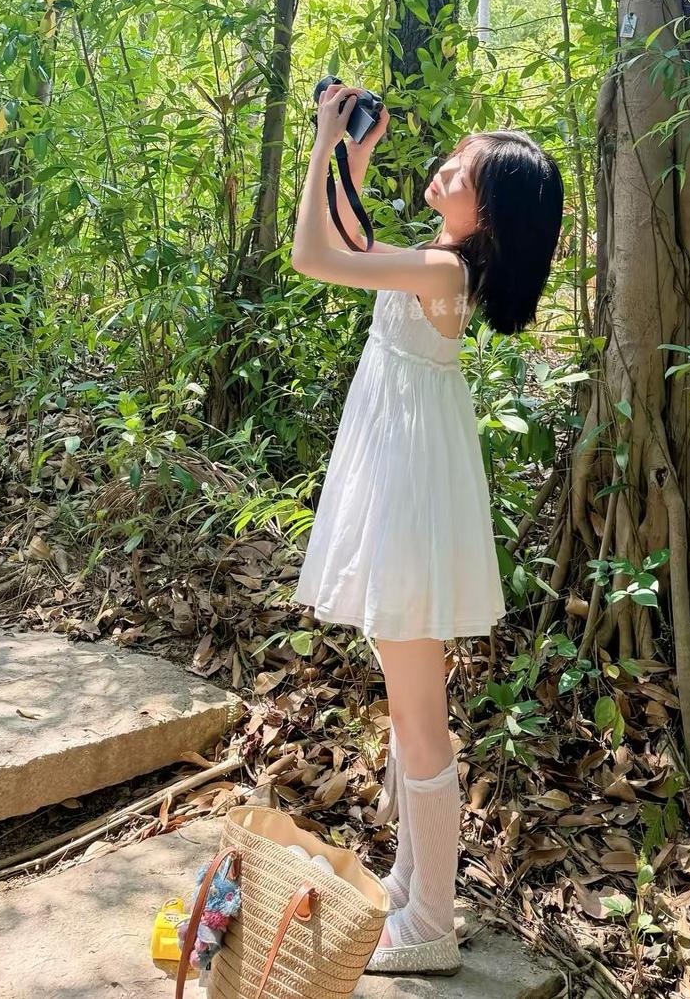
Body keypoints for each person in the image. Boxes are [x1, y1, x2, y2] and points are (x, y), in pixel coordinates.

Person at [289, 80, 564, 973]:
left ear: (492, 211)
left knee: (418, 718)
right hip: (401, 479)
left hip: (407, 491)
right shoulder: (438, 260)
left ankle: (432, 923)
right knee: (411, 705)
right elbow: (357, 244)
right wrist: (353, 158)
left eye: (466, 171)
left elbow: (313, 256)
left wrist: (320, 146)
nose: (447, 168)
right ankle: (411, 890)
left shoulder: (445, 272)